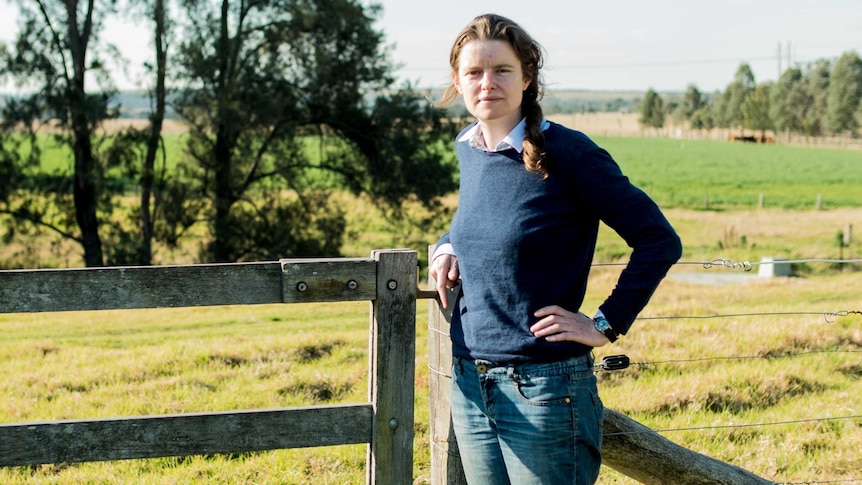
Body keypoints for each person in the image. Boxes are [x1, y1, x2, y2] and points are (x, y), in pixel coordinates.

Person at [429, 13, 683, 485]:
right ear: (458, 82)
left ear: (527, 77)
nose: (488, 83)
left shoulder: (568, 152)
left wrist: (606, 323)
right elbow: (486, 222)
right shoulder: (470, 147)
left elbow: (659, 240)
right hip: (468, 382)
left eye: (502, 70)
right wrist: (447, 246)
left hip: (545, 388)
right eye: (474, 72)